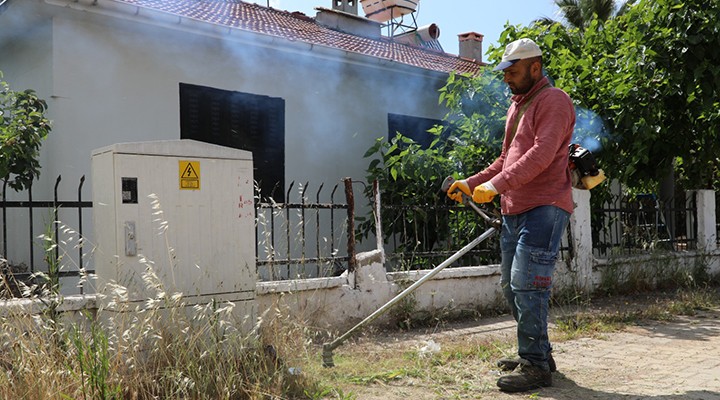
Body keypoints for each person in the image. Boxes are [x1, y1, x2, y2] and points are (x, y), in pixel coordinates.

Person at [446, 38, 575, 393]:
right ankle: (539, 354)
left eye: (513, 72)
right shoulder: (518, 105)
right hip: (515, 209)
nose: (506, 79)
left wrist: (499, 185)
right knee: (511, 285)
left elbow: (542, 153)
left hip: (545, 207)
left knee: (527, 284)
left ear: (536, 67)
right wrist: (471, 183)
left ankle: (535, 367)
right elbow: (506, 159)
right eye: (505, 72)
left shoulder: (554, 101)